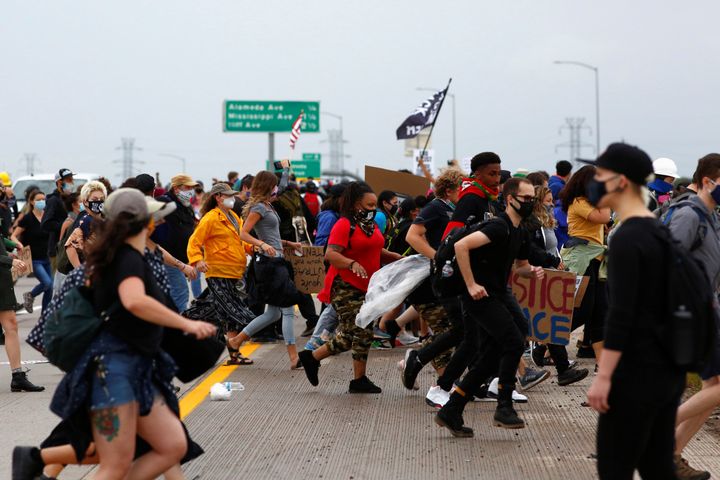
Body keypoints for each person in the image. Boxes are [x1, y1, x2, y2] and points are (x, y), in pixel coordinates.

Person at [46, 188, 216, 479]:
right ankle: (39, 461)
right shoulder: (127, 258)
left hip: (133, 368)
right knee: (117, 461)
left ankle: (38, 460)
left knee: (170, 446)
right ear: (140, 223)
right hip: (116, 370)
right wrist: (186, 324)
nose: (159, 223)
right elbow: (134, 300)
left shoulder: (127, 254)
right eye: (153, 218)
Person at [585, 143, 684, 479]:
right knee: (658, 467)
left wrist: (604, 376)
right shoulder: (659, 231)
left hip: (635, 372)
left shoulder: (627, 237)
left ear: (622, 182)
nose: (593, 181)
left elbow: (622, 314)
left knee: (615, 468)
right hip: (668, 369)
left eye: (600, 175)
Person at [435, 177, 543, 437]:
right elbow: (462, 246)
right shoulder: (498, 226)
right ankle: (504, 405)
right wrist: (471, 284)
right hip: (478, 296)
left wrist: (533, 271)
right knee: (513, 340)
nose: (530, 203)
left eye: (533, 199)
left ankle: (452, 409)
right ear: (510, 199)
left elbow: (520, 266)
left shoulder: (521, 230)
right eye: (525, 198)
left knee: (497, 350)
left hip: (498, 293)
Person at [299, 182, 402, 392]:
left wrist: (396, 258)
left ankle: (351, 376)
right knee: (358, 330)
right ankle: (323, 362)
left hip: (367, 286)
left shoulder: (368, 225)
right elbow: (331, 253)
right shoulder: (344, 224)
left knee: (358, 333)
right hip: (345, 285)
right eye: (369, 205)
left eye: (375, 206)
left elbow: (374, 249)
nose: (374, 210)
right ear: (356, 204)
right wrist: (351, 263)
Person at [668, 154, 720, 480]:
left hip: (707, 311)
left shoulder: (711, 217)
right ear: (706, 182)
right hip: (691, 314)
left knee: (711, 391)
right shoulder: (689, 215)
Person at [228, 170, 304, 368]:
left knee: (273, 314)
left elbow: (272, 236)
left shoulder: (269, 206)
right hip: (269, 264)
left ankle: (236, 341)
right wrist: (261, 245)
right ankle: (294, 358)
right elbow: (243, 233)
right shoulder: (259, 207)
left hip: (277, 259)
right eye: (275, 184)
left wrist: (289, 244)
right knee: (287, 309)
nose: (277, 188)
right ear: (267, 186)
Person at [402, 168, 463, 395]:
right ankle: (442, 382)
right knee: (451, 330)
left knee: (454, 330)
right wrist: (436, 256)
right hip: (436, 280)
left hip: (453, 277)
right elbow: (412, 235)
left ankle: (440, 377)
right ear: (449, 191)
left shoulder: (455, 209)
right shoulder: (436, 207)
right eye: (461, 188)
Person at [184, 182, 256, 366]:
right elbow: (194, 241)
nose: (232, 198)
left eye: (232, 195)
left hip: (234, 271)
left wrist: (254, 248)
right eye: (228, 195)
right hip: (217, 271)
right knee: (233, 311)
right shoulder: (210, 218)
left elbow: (241, 240)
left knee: (221, 313)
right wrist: (197, 260)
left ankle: (233, 354)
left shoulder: (233, 217)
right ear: (218, 197)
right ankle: (253, 328)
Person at [559, 164, 611, 361]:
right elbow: (604, 217)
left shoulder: (590, 202)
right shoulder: (579, 202)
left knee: (599, 311)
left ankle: (602, 363)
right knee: (582, 311)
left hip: (595, 258)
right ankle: (548, 342)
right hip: (581, 258)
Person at [0, 233, 44, 392]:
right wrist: (10, 260)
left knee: (11, 324)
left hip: (2, 282)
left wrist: (11, 245)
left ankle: (17, 376)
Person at [152, 174, 200, 312]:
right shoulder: (164, 203)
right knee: (181, 293)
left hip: (182, 259)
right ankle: (178, 327)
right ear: (177, 188)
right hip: (167, 258)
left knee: (174, 295)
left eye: (192, 188)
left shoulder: (186, 206)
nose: (191, 191)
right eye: (188, 187)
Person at [11, 190, 52, 313]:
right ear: (32, 202)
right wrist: (19, 244)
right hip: (34, 259)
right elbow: (13, 235)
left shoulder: (47, 217)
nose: (42, 202)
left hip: (47, 258)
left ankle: (45, 316)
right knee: (47, 283)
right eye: (38, 200)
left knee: (49, 289)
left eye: (43, 199)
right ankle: (30, 295)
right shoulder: (27, 218)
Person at [64, 181, 107, 271]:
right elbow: (70, 247)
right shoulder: (85, 221)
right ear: (85, 202)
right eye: (95, 199)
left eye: (101, 199)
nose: (99, 202)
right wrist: (80, 271)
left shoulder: (102, 219)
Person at [41, 168, 75, 271]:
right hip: (57, 250)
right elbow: (45, 224)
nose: (72, 182)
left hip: (69, 247)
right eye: (69, 180)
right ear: (60, 182)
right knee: (57, 284)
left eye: (72, 179)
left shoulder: (69, 199)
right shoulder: (53, 200)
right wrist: (64, 225)